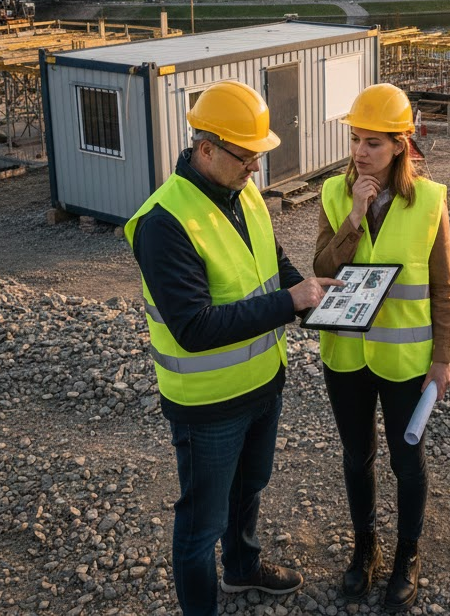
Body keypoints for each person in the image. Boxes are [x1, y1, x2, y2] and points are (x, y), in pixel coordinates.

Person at [125, 79, 341, 616]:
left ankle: (242, 570)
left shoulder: (242, 193)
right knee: (202, 522)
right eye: (247, 157)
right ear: (205, 149)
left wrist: (317, 300)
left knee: (250, 487)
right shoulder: (164, 223)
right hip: (208, 405)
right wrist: (290, 301)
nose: (256, 169)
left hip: (264, 381)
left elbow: (272, 267)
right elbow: (193, 328)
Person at [313, 83, 450, 610]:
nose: (359, 152)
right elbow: (323, 269)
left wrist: (442, 359)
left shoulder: (431, 201)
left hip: (404, 359)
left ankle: (407, 555)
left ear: (400, 144)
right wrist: (353, 215)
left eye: (372, 142)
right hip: (346, 356)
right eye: (355, 139)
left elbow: (443, 290)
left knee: (406, 461)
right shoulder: (334, 194)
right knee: (357, 457)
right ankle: (365, 548)